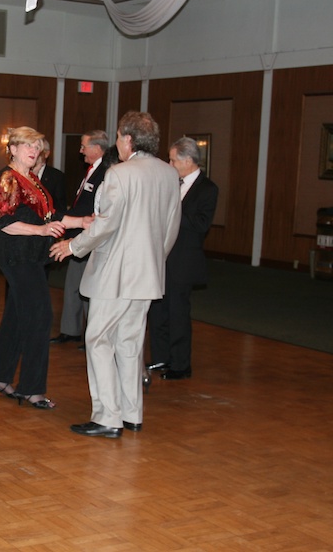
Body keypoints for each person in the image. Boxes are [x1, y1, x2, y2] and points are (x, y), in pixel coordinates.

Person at [51, 111, 181, 438]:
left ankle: (107, 417)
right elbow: (171, 229)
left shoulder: (119, 174)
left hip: (115, 276)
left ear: (127, 139)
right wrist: (151, 260)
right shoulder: (168, 174)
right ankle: (131, 413)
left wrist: (73, 247)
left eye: (120, 137)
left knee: (97, 339)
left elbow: (105, 226)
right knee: (130, 343)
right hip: (147, 275)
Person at [0, 127, 65, 410]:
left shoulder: (30, 177)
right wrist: (42, 231)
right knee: (40, 318)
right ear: (13, 148)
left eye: (37, 146)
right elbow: (4, 222)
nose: (34, 150)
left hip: (27, 256)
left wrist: (80, 222)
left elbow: (47, 214)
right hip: (18, 257)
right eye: (28, 145)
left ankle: (0, 378)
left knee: (16, 318)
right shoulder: (9, 178)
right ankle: (32, 389)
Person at [147, 136, 219, 380]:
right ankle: (160, 358)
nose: (170, 163)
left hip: (184, 260)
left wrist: (172, 211)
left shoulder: (208, 189)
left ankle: (180, 365)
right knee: (157, 310)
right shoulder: (171, 183)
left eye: (173, 159)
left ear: (188, 160)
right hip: (161, 255)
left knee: (177, 312)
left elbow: (200, 224)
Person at [50, 130, 110, 345]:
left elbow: (93, 208)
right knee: (74, 284)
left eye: (84, 146)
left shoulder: (106, 172)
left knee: (87, 287)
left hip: (90, 237)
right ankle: (71, 330)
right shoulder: (91, 170)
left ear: (96, 148)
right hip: (78, 233)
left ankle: (89, 335)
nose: (81, 150)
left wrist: (64, 219)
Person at [36, 139, 67, 218]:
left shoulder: (57, 176)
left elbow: (60, 206)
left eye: (38, 150)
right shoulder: (24, 174)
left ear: (46, 154)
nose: (34, 153)